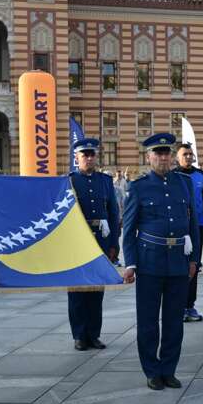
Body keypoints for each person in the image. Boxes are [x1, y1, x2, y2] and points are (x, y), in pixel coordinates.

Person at [122, 133, 200, 390]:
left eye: (167, 152)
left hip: (178, 260)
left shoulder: (184, 183)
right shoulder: (138, 186)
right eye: (158, 153)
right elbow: (129, 228)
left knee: (174, 321)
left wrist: (194, 259)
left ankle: (169, 369)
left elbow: (192, 224)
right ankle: (152, 371)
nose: (163, 157)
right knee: (148, 321)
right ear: (149, 157)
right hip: (149, 262)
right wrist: (131, 263)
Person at [68, 138, 119, 351]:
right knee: (78, 290)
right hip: (77, 242)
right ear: (77, 158)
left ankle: (94, 334)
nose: (89, 158)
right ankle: (80, 335)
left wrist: (114, 243)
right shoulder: (69, 181)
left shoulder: (105, 181)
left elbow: (114, 213)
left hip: (100, 239)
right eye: (84, 155)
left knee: (97, 290)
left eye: (91, 155)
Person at [174, 143, 203, 322]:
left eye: (190, 154)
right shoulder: (173, 176)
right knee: (179, 267)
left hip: (198, 226)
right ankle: (178, 306)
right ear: (177, 158)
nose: (188, 157)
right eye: (184, 154)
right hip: (179, 228)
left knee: (194, 266)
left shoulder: (200, 175)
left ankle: (190, 306)